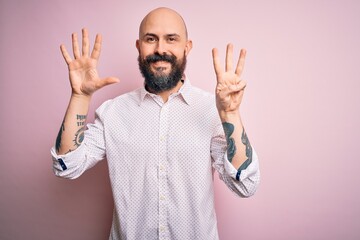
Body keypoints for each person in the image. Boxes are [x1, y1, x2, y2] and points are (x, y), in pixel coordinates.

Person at [51, 7, 260, 240]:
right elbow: (66, 166)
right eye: (151, 39)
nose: (160, 49)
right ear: (139, 47)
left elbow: (245, 184)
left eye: (171, 39)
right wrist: (80, 98)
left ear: (186, 47)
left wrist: (230, 114)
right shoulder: (114, 113)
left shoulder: (211, 110)